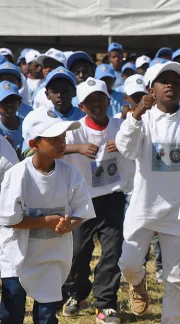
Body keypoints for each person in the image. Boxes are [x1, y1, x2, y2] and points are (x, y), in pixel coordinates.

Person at [115, 61, 180, 323]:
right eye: (163, 81)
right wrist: (135, 115)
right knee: (129, 265)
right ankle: (138, 282)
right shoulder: (141, 120)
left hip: (179, 213)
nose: (170, 85)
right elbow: (126, 149)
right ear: (151, 89)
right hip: (143, 207)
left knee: (177, 279)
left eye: (176, 82)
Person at [0, 107, 95, 324]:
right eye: (54, 138)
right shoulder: (18, 175)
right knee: (12, 313)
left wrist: (69, 225)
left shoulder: (70, 174)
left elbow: (81, 210)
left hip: (51, 256)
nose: (62, 143)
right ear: (34, 144)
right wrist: (46, 222)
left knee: (46, 315)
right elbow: (9, 220)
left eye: (63, 137)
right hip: (16, 255)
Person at [60, 78, 132, 324]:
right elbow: (54, 148)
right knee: (78, 251)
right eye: (90, 101)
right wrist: (77, 148)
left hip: (112, 198)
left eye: (100, 98)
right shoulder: (74, 129)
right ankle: (77, 293)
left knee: (112, 252)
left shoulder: (120, 126)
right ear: (81, 106)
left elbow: (136, 143)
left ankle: (106, 304)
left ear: (108, 100)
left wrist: (123, 145)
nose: (96, 104)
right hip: (82, 200)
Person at [0, 81, 25, 157]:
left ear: (19, 103)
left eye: (13, 101)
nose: (9, 105)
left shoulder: (27, 125)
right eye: (5, 101)